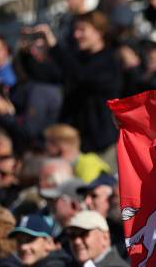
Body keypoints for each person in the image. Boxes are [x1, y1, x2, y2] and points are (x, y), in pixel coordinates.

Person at [33, 13, 123, 167]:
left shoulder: (109, 61)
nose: (77, 35)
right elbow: (48, 75)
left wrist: (55, 47)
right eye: (75, 30)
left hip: (104, 144)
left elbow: (82, 76)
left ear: (98, 31)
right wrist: (28, 55)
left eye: (82, 30)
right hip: (80, 144)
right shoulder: (77, 59)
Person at [44, 124, 111, 182]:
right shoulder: (72, 164)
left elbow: (88, 191)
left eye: (49, 142)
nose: (46, 146)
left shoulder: (87, 162)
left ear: (63, 145)